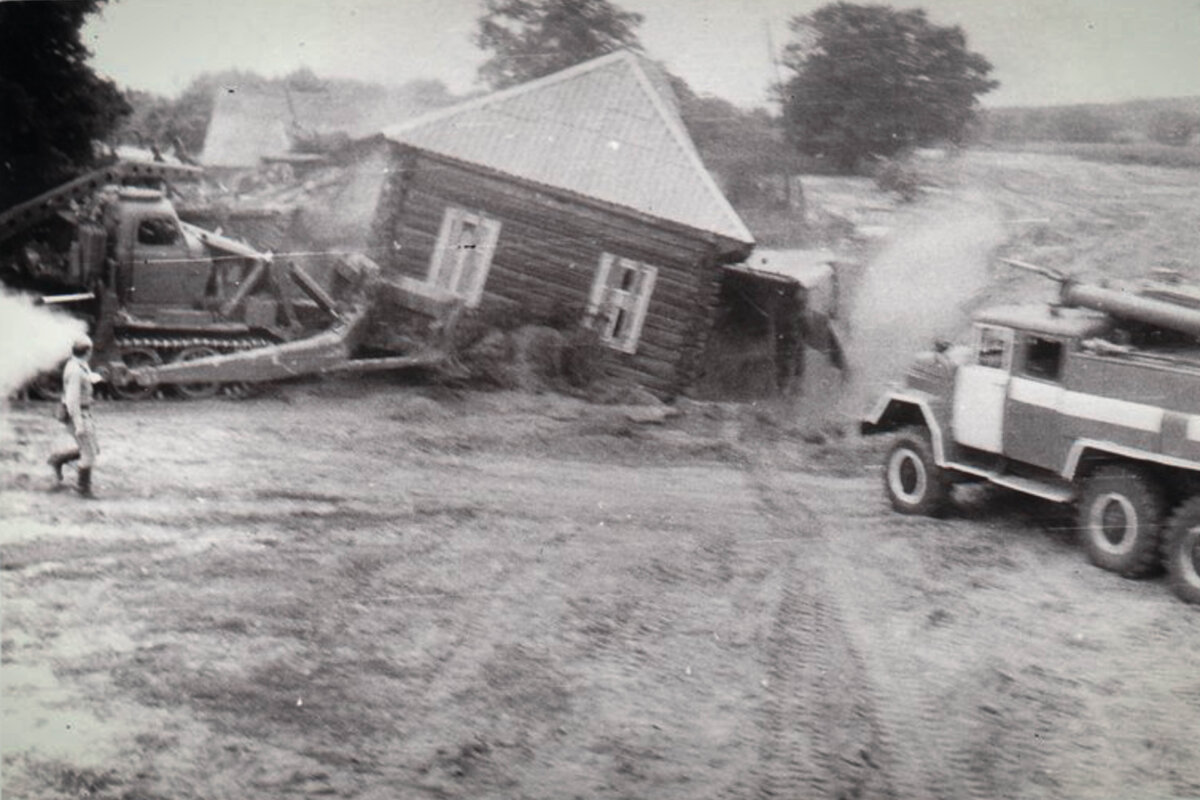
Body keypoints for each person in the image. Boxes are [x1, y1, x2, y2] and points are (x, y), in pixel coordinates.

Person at [48, 334, 103, 497]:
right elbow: (72, 401)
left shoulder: (77, 364)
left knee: (93, 449)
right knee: (89, 454)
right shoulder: (76, 371)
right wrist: (78, 424)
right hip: (79, 414)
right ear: (87, 351)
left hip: (83, 413)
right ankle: (83, 489)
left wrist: (91, 379)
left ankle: (58, 459)